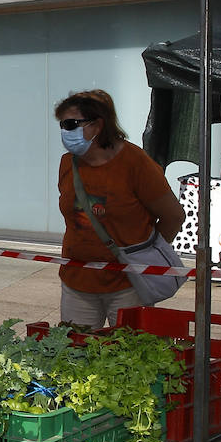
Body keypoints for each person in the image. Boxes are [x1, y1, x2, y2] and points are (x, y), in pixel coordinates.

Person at [55, 88, 185, 328]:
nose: (65, 132)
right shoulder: (68, 164)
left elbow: (173, 216)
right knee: (74, 354)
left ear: (97, 125)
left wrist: (145, 253)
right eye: (62, 125)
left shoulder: (136, 163)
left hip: (128, 284)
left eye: (71, 124)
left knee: (127, 355)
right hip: (77, 280)